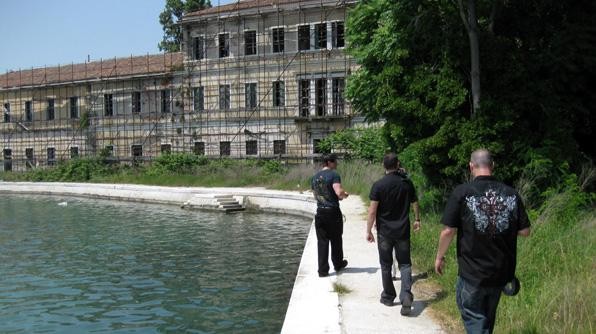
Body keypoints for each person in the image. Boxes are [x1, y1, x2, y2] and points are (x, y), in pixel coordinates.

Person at [435, 149, 531, 333]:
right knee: (487, 321)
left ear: (471, 166)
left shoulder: (462, 193)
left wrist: (439, 257)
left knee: (475, 321)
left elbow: (448, 231)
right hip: (500, 273)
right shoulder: (511, 193)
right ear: (492, 166)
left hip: (473, 274)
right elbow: (525, 231)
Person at [366, 152, 420, 315]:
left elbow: (372, 211)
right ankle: (406, 296)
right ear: (397, 165)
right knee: (405, 264)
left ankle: (388, 296)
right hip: (402, 230)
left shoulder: (378, 185)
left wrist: (368, 230)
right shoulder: (406, 183)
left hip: (385, 232)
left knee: (385, 264)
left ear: (384, 166)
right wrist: (417, 219)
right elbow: (415, 202)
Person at [311, 153, 349, 277]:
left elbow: (315, 195)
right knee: (336, 239)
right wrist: (345, 194)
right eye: (335, 161)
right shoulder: (334, 175)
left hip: (320, 212)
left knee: (322, 241)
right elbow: (338, 192)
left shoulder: (314, 177)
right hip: (332, 212)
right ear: (329, 162)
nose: (336, 164)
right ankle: (338, 264)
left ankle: (322, 270)